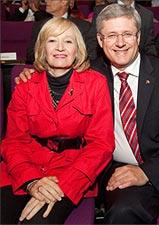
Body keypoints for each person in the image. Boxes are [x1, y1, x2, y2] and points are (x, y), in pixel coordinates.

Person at [14, 3, 159, 224]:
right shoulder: (89, 76)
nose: (119, 43)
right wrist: (31, 75)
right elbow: (53, 73)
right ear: (99, 40)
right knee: (122, 213)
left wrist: (148, 172)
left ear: (138, 37)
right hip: (122, 171)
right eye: (111, 36)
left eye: (127, 34)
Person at [0, 17, 114, 224]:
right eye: (52, 40)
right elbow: (13, 141)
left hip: (71, 170)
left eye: (68, 41)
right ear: (42, 47)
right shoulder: (25, 85)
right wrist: (32, 181)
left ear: (78, 49)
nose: (60, 47)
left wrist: (66, 184)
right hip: (25, 165)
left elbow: (101, 145)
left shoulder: (95, 84)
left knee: (35, 222)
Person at [87, 0, 157, 60]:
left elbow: (149, 45)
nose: (120, 43)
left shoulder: (146, 14)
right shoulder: (101, 11)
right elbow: (92, 42)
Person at [26, 0, 91, 64]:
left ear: (64, 1)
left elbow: (89, 56)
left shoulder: (83, 27)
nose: (46, 1)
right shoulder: (40, 26)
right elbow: (31, 55)